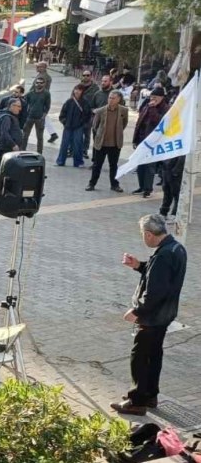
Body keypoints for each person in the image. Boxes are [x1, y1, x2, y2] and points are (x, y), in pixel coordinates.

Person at [111, 214, 186, 416]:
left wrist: (137, 312)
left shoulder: (163, 256)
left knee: (140, 358)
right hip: (165, 315)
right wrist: (139, 265)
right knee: (153, 355)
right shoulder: (176, 248)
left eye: (142, 235)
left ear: (149, 234)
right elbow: (161, 277)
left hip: (152, 317)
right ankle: (150, 395)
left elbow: (155, 292)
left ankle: (137, 401)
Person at [86, 90, 129, 193]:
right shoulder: (101, 111)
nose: (110, 100)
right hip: (101, 143)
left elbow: (124, 123)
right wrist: (100, 135)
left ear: (118, 99)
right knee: (97, 165)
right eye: (109, 97)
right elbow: (95, 126)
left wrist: (117, 132)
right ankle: (91, 184)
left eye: (113, 98)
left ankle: (114, 185)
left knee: (113, 165)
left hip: (115, 144)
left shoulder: (123, 111)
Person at [132, 88, 169, 198]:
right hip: (142, 139)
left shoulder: (166, 108)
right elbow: (139, 122)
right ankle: (141, 186)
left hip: (153, 141)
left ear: (161, 97)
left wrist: (152, 108)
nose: (152, 99)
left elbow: (159, 121)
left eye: (155, 97)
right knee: (140, 165)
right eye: (151, 97)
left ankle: (148, 189)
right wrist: (135, 139)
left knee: (149, 166)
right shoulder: (147, 105)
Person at [56, 85, 91, 168]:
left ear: (82, 92)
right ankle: (60, 161)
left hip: (78, 127)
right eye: (76, 89)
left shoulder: (85, 102)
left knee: (78, 145)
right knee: (64, 144)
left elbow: (87, 115)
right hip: (68, 127)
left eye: (79, 90)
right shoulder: (69, 102)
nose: (77, 91)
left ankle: (78, 162)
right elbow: (62, 114)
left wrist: (81, 123)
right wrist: (65, 122)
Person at [23, 77, 51, 154]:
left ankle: (39, 153)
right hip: (29, 117)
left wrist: (43, 116)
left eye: (41, 83)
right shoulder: (30, 93)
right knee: (25, 136)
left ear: (44, 84)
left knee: (40, 138)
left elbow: (47, 106)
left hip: (40, 118)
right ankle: (22, 151)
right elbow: (24, 103)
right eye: (37, 82)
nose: (39, 84)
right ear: (35, 83)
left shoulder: (46, 94)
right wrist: (25, 115)